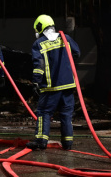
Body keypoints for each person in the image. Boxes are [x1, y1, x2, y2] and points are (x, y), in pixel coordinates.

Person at [27, 14, 81, 151]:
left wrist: (36, 82)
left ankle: (41, 141)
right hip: (68, 85)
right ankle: (68, 143)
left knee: (44, 112)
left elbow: (38, 65)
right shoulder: (65, 38)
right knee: (66, 114)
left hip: (51, 87)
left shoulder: (39, 44)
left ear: (40, 27)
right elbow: (77, 53)